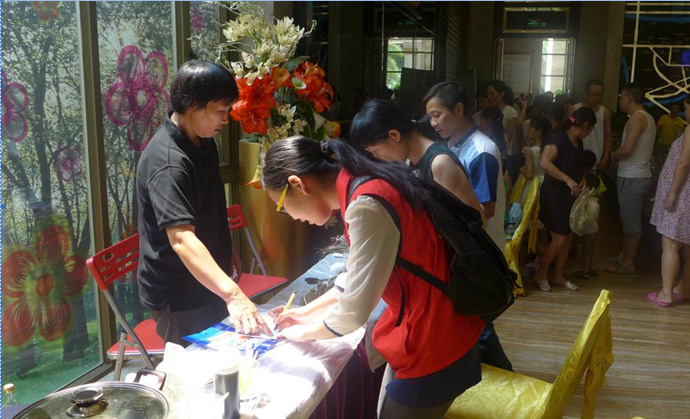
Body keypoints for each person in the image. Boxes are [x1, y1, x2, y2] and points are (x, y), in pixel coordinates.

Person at [264, 137, 484, 418]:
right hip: (437, 328)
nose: (290, 216)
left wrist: (297, 334)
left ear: (298, 184)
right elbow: (358, 276)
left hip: (435, 341)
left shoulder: (367, 204)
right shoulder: (363, 184)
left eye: (282, 206)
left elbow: (352, 314)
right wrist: (305, 313)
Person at [136, 60, 270, 345]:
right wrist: (234, 295)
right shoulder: (168, 163)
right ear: (192, 105)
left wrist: (227, 247)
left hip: (210, 280)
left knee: (226, 354)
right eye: (220, 111)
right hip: (180, 291)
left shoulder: (202, 140)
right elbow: (182, 239)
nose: (226, 119)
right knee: (197, 364)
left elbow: (211, 204)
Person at [424, 81, 513, 373]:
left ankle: (504, 378)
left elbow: (484, 210)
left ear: (459, 109)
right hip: (467, 249)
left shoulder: (481, 151)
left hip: (480, 251)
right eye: (430, 116)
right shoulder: (453, 145)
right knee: (475, 323)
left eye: (437, 115)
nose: (433, 123)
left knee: (479, 324)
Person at [348, 99, 484, 219]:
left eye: (374, 151)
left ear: (394, 135)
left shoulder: (440, 163)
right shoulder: (412, 160)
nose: (376, 157)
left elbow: (479, 222)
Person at [535, 107, 597, 292]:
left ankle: (558, 275)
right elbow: (545, 163)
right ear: (585, 125)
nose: (589, 133)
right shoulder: (559, 138)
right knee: (559, 239)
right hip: (554, 195)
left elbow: (578, 166)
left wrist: (581, 179)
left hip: (570, 196)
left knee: (568, 237)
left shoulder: (578, 142)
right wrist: (568, 180)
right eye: (590, 129)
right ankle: (541, 273)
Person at [608, 83, 657, 275]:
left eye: (622, 96)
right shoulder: (646, 117)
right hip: (635, 174)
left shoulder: (638, 118)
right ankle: (623, 256)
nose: (620, 100)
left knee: (631, 221)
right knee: (628, 218)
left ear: (629, 98)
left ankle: (629, 262)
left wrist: (613, 155)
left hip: (634, 176)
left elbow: (627, 149)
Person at [647, 97, 690, 306]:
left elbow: (683, 163)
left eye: (687, 107)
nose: (685, 112)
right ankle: (684, 288)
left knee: (670, 243)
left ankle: (666, 293)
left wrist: (672, 193)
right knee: (688, 244)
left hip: (683, 192)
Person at [573, 150, 602, 280]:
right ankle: (593, 268)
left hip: (581, 221)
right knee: (591, 248)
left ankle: (585, 271)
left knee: (584, 249)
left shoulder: (578, 180)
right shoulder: (597, 180)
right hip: (593, 222)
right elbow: (601, 194)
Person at [573, 79, 613, 171]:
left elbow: (607, 135)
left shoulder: (605, 112)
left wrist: (605, 157)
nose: (597, 98)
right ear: (585, 94)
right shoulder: (574, 109)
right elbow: (568, 128)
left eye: (600, 95)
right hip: (577, 158)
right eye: (594, 95)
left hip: (596, 158)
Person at [487, 80, 520, 182]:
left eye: (492, 93)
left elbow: (508, 139)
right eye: (488, 94)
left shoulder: (510, 112)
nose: (489, 97)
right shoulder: (489, 111)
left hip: (505, 155)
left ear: (501, 94)